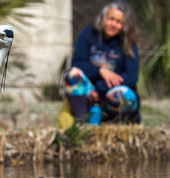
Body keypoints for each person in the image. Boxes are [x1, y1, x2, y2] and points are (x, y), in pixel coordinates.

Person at [59, 1, 140, 129]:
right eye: (111, 19)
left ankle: (113, 122)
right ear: (104, 18)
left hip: (109, 93)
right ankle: (82, 121)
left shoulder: (128, 42)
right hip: (88, 93)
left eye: (119, 22)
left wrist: (99, 89)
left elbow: (131, 77)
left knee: (127, 96)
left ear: (124, 25)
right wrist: (101, 70)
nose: (114, 24)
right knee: (72, 74)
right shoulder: (89, 33)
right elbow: (78, 63)